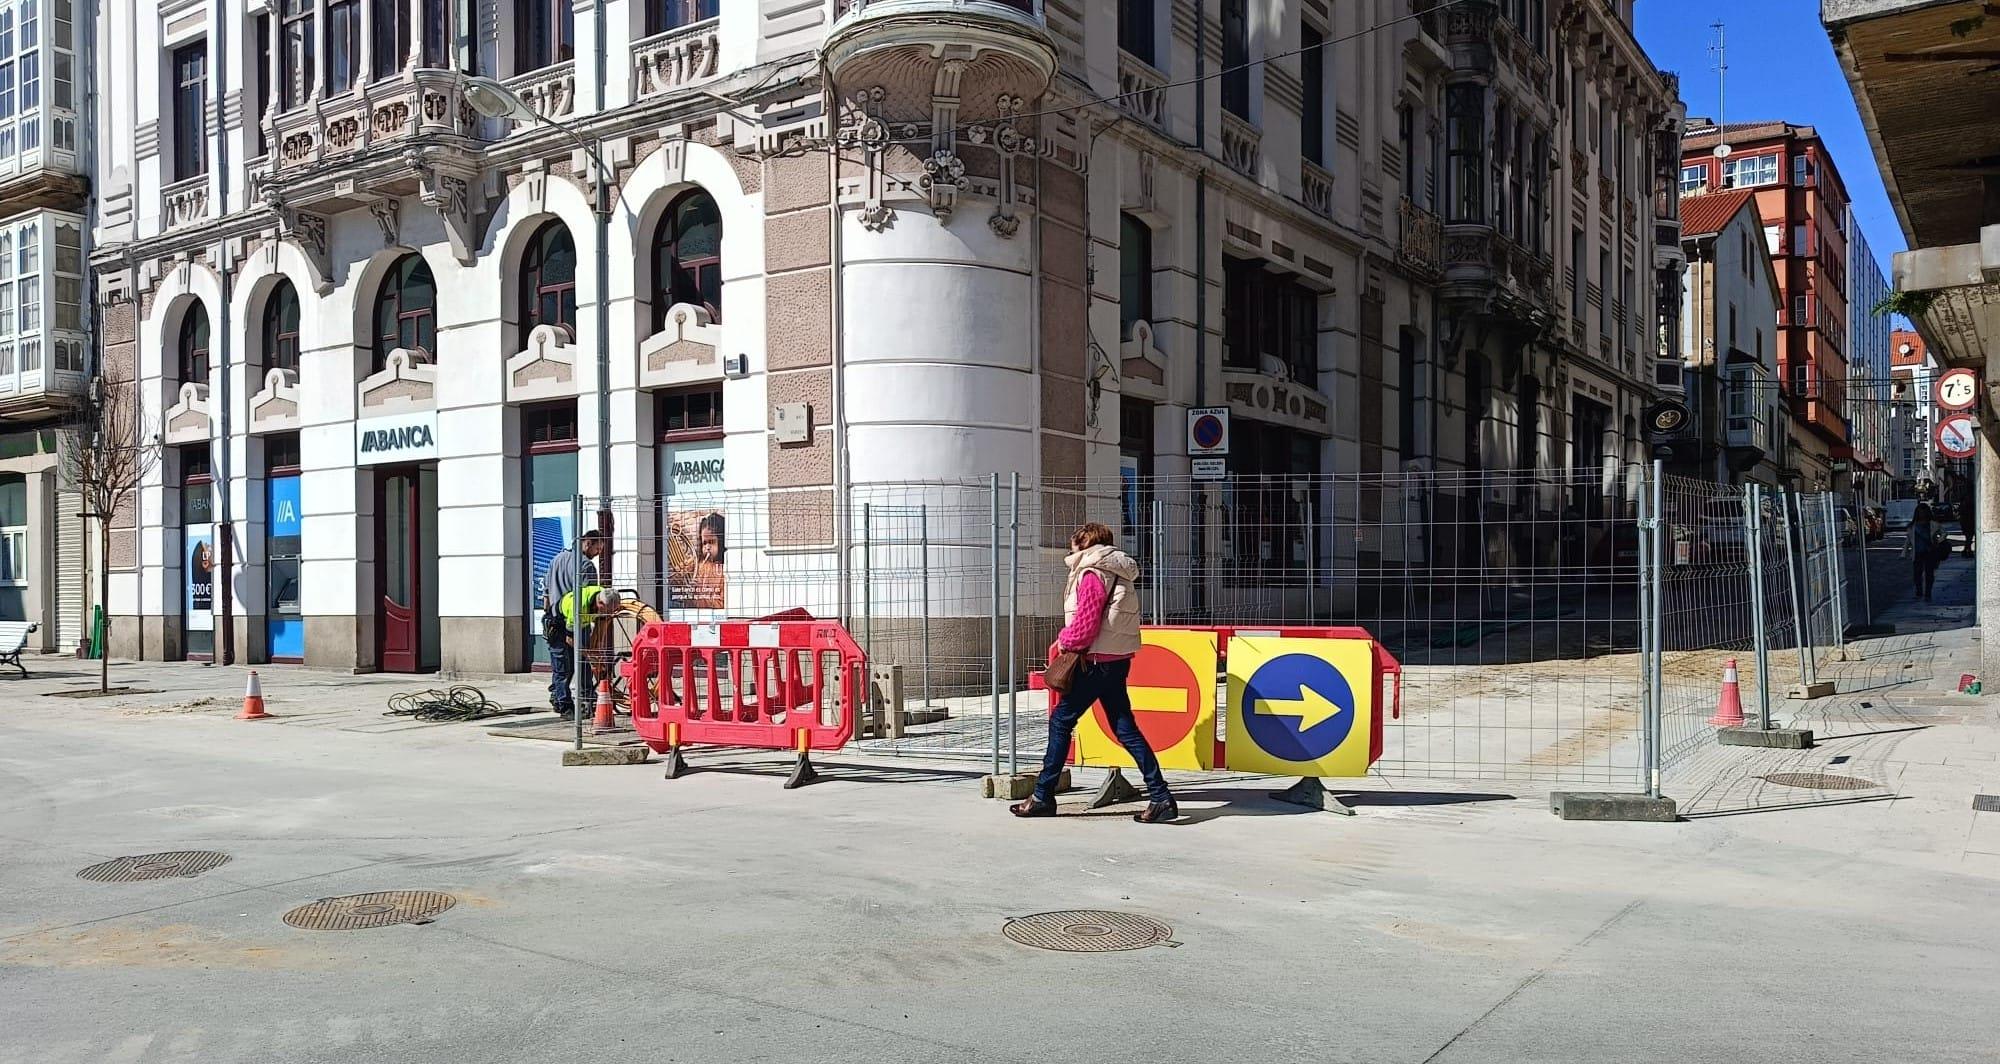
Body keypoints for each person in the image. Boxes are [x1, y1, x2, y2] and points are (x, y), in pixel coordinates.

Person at [1011, 523, 1178, 824]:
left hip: (1095, 662)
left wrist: (1065, 641)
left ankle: (1042, 796)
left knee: (1061, 721)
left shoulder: (1092, 572)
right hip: (1116, 660)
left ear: (1083, 544)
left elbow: (1086, 623)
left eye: (1073, 544)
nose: (1070, 550)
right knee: (1125, 728)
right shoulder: (1120, 570)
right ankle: (1160, 795)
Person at [544, 530, 606, 719]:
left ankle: (559, 699)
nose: (598, 553)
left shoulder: (556, 559)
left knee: (561, 666)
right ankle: (586, 701)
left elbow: (546, 593)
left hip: (554, 620)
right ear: (587, 543)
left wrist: (547, 616)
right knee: (582, 662)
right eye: (597, 548)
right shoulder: (586, 566)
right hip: (576, 620)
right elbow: (590, 599)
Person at [1907, 503, 1941, 601]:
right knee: (1917, 574)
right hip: (1917, 552)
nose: (1921, 514)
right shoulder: (1913, 526)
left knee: (1929, 573)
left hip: (1929, 552)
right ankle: (1919, 591)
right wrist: (1904, 552)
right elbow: (1908, 540)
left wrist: (1937, 541)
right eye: (1920, 512)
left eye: (1923, 512)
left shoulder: (1932, 524)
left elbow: (1942, 534)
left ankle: (1928, 593)